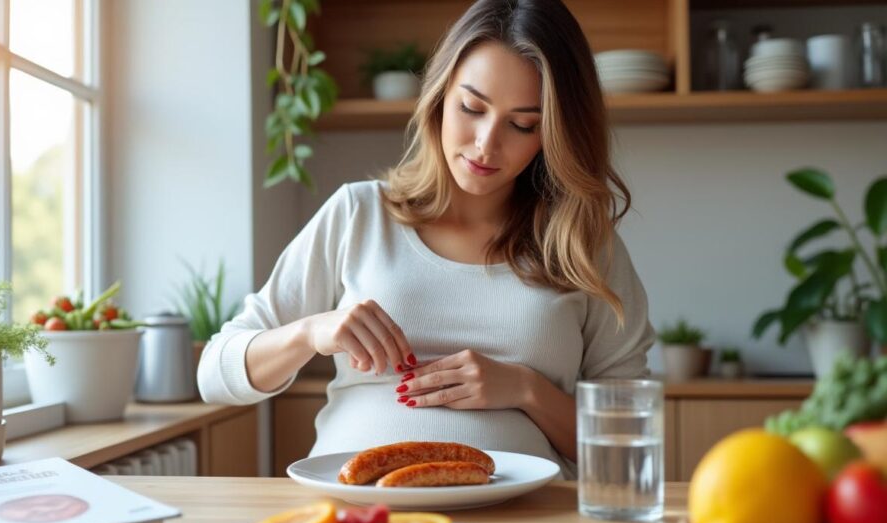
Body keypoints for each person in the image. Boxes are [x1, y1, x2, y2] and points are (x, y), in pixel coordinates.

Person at [198, 0, 654, 479]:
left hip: (522, 516)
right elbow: (214, 375)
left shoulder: (581, 245)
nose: (485, 143)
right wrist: (312, 331)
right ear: (439, 95)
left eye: (522, 124)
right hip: (360, 510)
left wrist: (526, 390)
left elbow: (629, 440)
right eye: (472, 108)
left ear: (555, 133)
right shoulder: (359, 214)